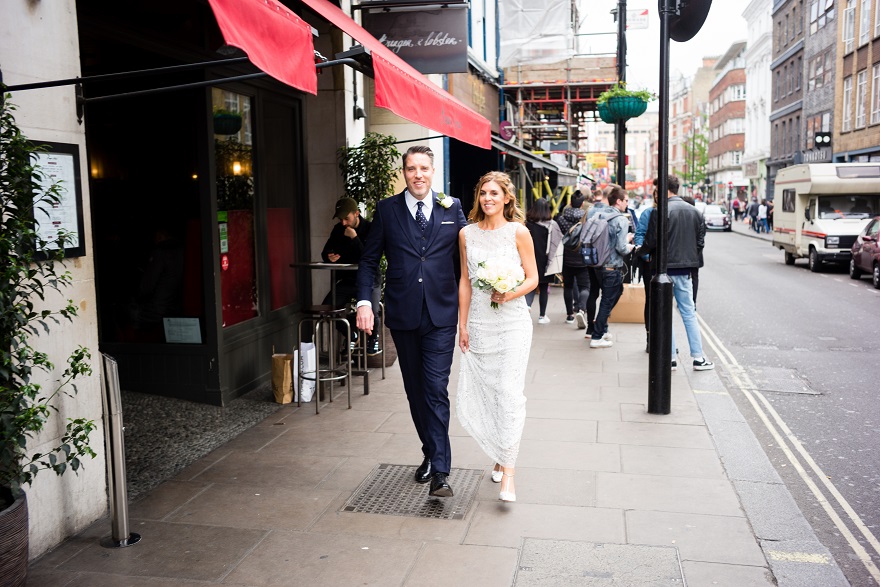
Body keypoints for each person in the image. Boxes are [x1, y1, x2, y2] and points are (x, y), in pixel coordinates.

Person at [356, 145, 468, 498]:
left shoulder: (453, 208)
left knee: (436, 389)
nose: (417, 174)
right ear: (403, 173)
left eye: (423, 168)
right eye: (410, 168)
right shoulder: (387, 210)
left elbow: (469, 255)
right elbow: (369, 261)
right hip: (404, 314)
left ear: (433, 171)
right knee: (416, 392)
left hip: (441, 315)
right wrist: (364, 302)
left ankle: (441, 472)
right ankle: (430, 451)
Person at [456, 171, 538, 503]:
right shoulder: (465, 234)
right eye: (483, 193)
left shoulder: (519, 232)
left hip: (513, 322)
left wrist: (509, 292)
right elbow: (464, 281)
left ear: (506, 198)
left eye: (494, 193)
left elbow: (533, 278)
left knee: (508, 393)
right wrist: (462, 325)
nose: (488, 198)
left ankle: (510, 475)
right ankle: (500, 453)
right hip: (479, 322)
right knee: (489, 394)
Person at [643, 175, 714, 371]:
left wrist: (641, 253)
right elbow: (700, 243)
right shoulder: (695, 212)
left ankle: (670, 357)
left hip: (664, 269)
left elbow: (651, 242)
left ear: (665, 189)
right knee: (688, 313)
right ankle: (698, 358)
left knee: (666, 314)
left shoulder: (660, 212)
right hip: (684, 270)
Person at [320, 197, 380, 354]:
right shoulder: (338, 230)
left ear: (357, 213)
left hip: (370, 280)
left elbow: (368, 257)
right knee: (327, 309)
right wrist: (329, 256)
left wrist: (354, 238)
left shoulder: (370, 228)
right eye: (341, 219)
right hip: (347, 280)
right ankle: (351, 334)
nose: (343, 223)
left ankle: (373, 338)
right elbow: (325, 251)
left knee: (371, 309)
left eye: (346, 218)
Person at [589, 185, 634, 349]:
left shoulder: (598, 213)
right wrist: (630, 244)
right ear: (619, 201)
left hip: (597, 264)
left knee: (616, 293)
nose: (627, 204)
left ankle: (602, 325)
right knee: (606, 302)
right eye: (626, 201)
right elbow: (621, 248)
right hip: (611, 266)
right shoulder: (621, 219)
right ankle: (597, 336)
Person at [555, 191, 590, 327]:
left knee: (568, 287)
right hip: (583, 258)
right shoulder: (586, 219)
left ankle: (569, 315)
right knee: (585, 287)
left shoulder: (561, 219)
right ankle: (581, 308)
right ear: (582, 204)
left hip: (567, 257)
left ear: (570, 203)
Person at [524, 198, 562, 324]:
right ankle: (542, 316)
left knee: (530, 286)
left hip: (529, 258)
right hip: (545, 261)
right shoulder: (551, 225)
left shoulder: (527, 224)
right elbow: (556, 244)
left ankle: (527, 306)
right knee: (543, 288)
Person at [583, 187, 608, 335]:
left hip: (590, 255)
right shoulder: (609, 212)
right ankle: (601, 328)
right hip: (604, 258)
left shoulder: (590, 211)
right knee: (606, 295)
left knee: (593, 291)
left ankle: (590, 328)